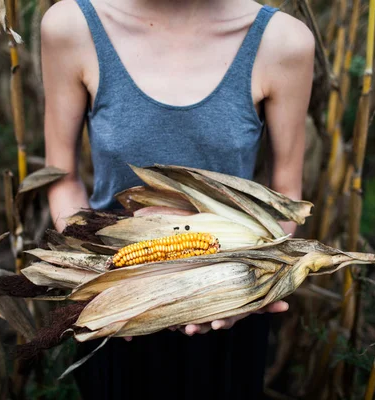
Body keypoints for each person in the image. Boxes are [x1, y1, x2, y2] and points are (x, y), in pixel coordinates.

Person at [41, 0, 314, 398]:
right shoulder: (72, 26)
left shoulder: (283, 42)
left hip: (228, 298)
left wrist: (248, 287)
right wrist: (103, 274)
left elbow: (285, 197)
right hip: (119, 301)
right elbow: (62, 178)